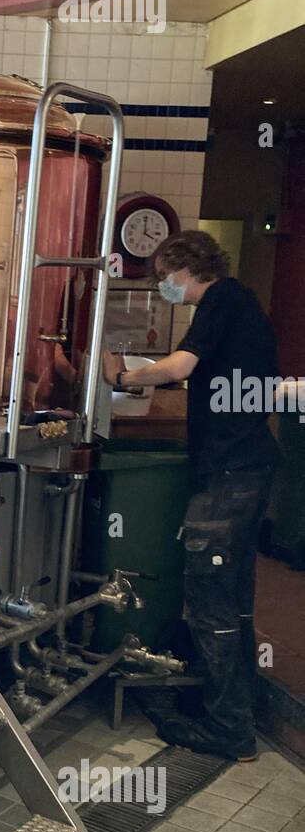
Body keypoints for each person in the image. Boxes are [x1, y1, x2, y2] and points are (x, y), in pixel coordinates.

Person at [102, 229, 280, 762]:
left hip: (230, 475)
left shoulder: (222, 297)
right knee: (232, 602)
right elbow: (199, 376)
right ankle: (229, 708)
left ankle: (229, 729)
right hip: (246, 469)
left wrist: (123, 374)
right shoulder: (242, 305)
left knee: (210, 602)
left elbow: (181, 366)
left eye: (164, 277)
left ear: (186, 266)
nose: (163, 286)